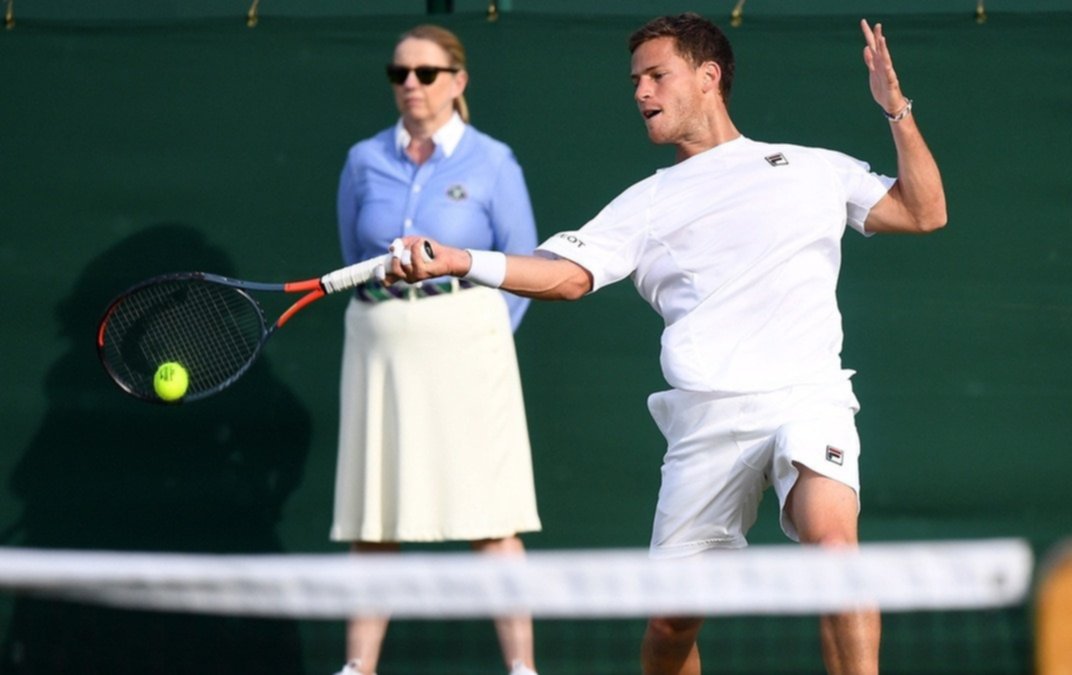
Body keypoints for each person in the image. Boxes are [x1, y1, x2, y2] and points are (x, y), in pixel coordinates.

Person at [389, 13, 946, 675]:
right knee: (670, 618)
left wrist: (897, 110)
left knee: (836, 557)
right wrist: (461, 259)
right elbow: (566, 277)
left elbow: (924, 210)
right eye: (635, 81)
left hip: (808, 396)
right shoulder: (643, 203)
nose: (640, 92)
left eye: (657, 75)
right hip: (706, 418)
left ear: (708, 78)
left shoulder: (813, 169)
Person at [330, 24, 541, 675]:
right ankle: (358, 668)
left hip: (470, 349)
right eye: (400, 75)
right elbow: (352, 253)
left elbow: (522, 264)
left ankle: (521, 668)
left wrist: (474, 336)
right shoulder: (364, 159)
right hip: (380, 345)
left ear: (458, 80)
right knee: (375, 517)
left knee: (492, 516)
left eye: (424, 73)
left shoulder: (494, 161)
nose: (411, 86)